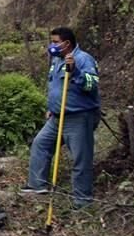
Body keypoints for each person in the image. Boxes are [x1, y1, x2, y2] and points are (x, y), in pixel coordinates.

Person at [20, 27, 101, 209]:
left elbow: (92, 84)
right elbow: (55, 85)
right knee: (40, 144)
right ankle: (37, 185)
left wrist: (75, 72)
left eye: (55, 42)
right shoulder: (57, 59)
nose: (52, 45)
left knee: (81, 158)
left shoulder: (83, 59)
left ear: (67, 43)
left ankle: (82, 200)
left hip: (79, 117)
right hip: (57, 117)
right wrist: (51, 107)